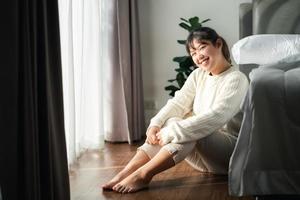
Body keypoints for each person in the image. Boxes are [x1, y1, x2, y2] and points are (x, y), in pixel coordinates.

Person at [102, 27, 249, 193]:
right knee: (175, 121)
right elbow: (178, 103)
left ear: (218, 44)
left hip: (228, 156)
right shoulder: (198, 75)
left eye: (202, 47)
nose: (198, 56)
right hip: (202, 159)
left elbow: (217, 116)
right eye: (193, 53)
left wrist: (172, 132)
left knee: (189, 127)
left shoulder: (237, 79)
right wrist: (155, 124)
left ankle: (143, 175)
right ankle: (126, 172)